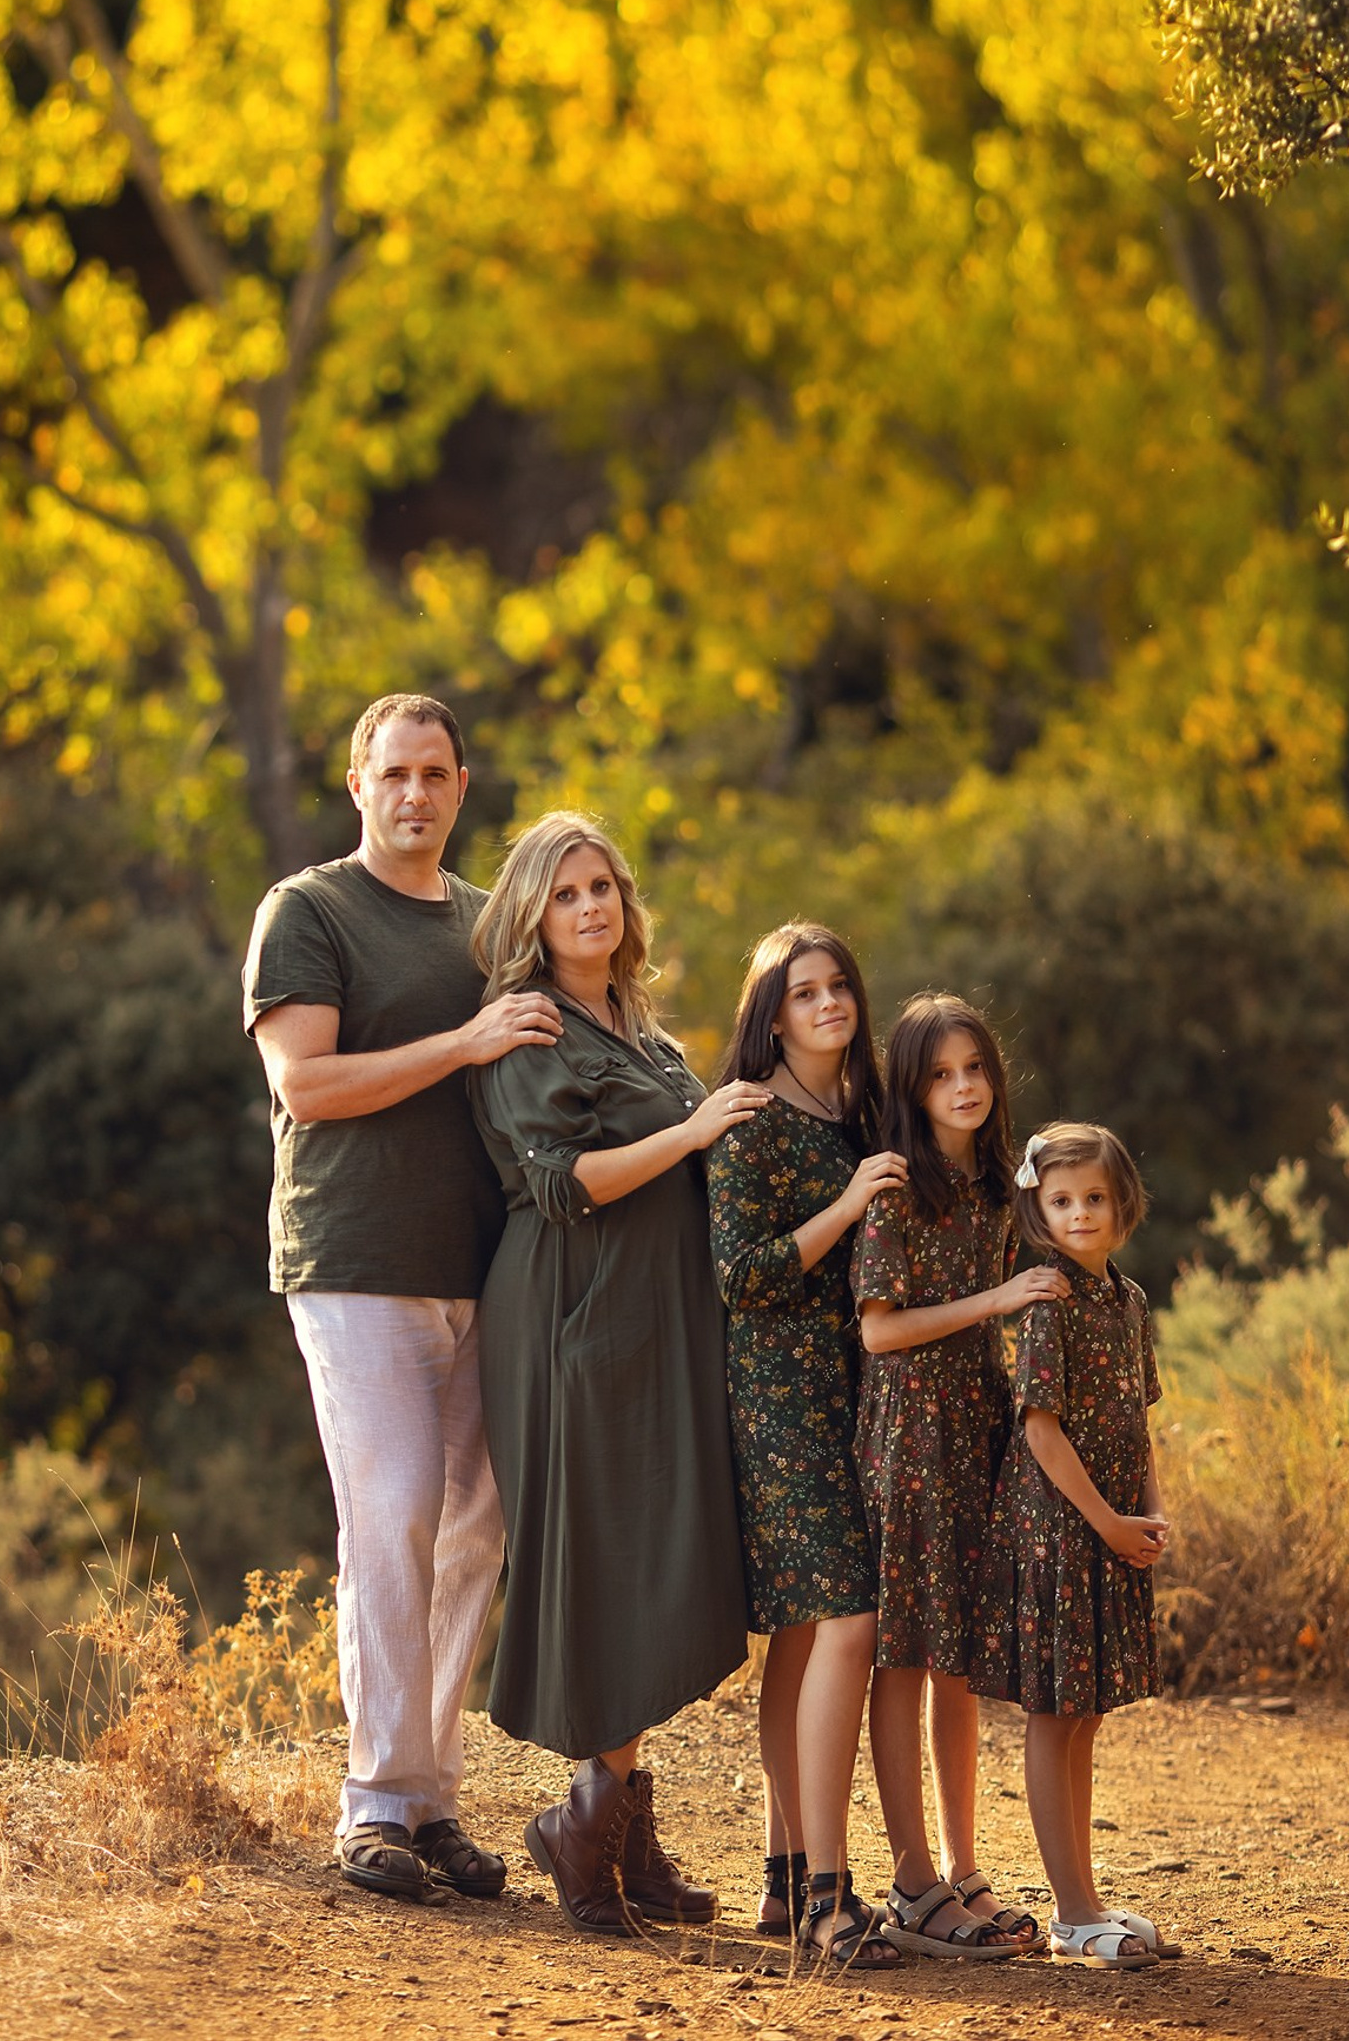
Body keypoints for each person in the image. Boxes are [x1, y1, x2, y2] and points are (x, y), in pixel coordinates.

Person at [242, 694, 566, 1902]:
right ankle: (373, 1805)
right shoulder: (310, 911)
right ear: (357, 782)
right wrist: (465, 1042)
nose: (415, 793)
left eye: (435, 773)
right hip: (354, 1259)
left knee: (474, 1529)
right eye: (394, 772)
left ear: (463, 785)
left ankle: (427, 1802)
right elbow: (309, 1084)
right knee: (391, 1518)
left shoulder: (491, 925)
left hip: (485, 1266)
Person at [465, 811, 759, 1933]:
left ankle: (616, 1829)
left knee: (655, 1556)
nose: (592, 907)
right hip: (569, 1316)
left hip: (656, 1322)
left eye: (604, 888)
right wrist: (694, 1135)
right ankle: (587, 1827)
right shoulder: (530, 1030)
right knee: (605, 1557)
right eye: (566, 892)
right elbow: (563, 1182)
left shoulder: (638, 1027)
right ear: (533, 915)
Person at [706, 922, 904, 1971]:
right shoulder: (752, 1119)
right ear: (770, 1014)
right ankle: (830, 1898)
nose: (828, 1004)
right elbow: (738, 1275)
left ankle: (784, 1882)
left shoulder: (859, 1115)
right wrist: (845, 1204)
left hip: (851, 1390)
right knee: (849, 1615)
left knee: (798, 1633)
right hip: (775, 1395)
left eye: (839, 987)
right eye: (803, 992)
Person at [852, 994, 1063, 1963]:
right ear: (911, 1087)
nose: (963, 1086)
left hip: (972, 1426)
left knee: (957, 1661)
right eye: (939, 1073)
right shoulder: (897, 1189)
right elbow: (880, 1328)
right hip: (909, 1434)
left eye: (974, 1066)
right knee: (902, 1652)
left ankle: (962, 1866)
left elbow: (1053, 1251)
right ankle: (907, 1878)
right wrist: (998, 1298)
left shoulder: (992, 1188)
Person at [970, 1123, 1176, 1969]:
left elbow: (1142, 1424)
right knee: (1056, 1717)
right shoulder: (1048, 1303)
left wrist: (1151, 1517)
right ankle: (1071, 1912)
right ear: (1038, 1211)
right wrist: (1107, 1523)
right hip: (1062, 1533)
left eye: (1095, 1198)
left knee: (1085, 1716)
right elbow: (1042, 1433)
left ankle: (1084, 1900)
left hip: (1114, 1529)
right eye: (1062, 1201)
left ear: (1122, 1204)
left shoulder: (1126, 1301)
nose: (1080, 1214)